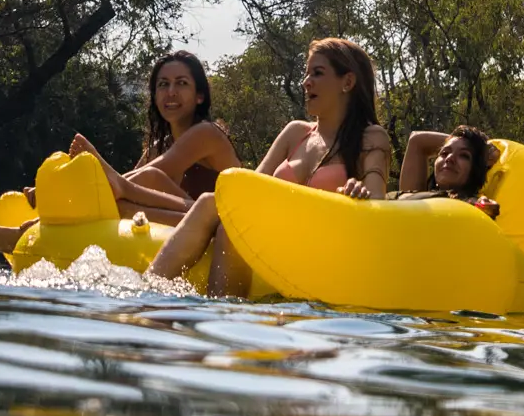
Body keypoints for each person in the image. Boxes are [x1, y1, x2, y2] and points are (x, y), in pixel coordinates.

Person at [148, 38, 392, 293]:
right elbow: (247, 189)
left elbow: (377, 199)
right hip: (277, 238)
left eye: (317, 73)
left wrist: (359, 191)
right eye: (307, 73)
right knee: (215, 208)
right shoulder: (295, 133)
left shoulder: (371, 137)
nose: (306, 82)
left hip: (323, 244)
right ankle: (156, 292)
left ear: (348, 82)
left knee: (221, 215)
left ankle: (149, 293)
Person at [0, 47, 236, 253]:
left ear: (200, 96)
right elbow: (125, 185)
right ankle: (35, 229)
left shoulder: (205, 133)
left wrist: (60, 192)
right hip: (185, 220)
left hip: (225, 229)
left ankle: (26, 231)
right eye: (163, 85)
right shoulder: (160, 146)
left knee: (146, 180)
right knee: (125, 198)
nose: (171, 92)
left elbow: (134, 181)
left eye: (182, 83)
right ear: (155, 96)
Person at [382, 126, 501, 208]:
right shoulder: (415, 195)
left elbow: (476, 204)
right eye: (444, 153)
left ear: (475, 170)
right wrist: (481, 148)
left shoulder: (469, 204)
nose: (449, 158)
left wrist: (481, 151)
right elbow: (417, 140)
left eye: (464, 155)